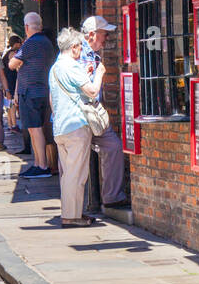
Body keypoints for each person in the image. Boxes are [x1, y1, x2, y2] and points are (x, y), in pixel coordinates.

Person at [49, 27, 104, 228]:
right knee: (77, 174)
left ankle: (73, 212)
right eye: (80, 46)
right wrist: (99, 74)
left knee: (68, 174)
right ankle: (71, 217)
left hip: (60, 128)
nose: (81, 50)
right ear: (73, 47)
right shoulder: (71, 66)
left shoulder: (54, 68)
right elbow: (91, 91)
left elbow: (52, 100)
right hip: (76, 125)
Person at [80, 15, 129, 209]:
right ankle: (77, 208)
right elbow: (84, 87)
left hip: (94, 115)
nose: (106, 39)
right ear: (92, 34)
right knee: (76, 161)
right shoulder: (79, 54)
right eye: (104, 34)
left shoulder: (92, 54)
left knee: (113, 146)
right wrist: (99, 74)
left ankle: (111, 196)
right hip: (80, 115)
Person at [12, 12, 56, 178]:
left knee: (35, 129)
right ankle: (38, 163)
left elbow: (12, 63)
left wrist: (20, 63)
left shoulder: (30, 43)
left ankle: (42, 165)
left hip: (30, 92)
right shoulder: (46, 43)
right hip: (42, 90)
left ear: (26, 27)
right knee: (35, 128)